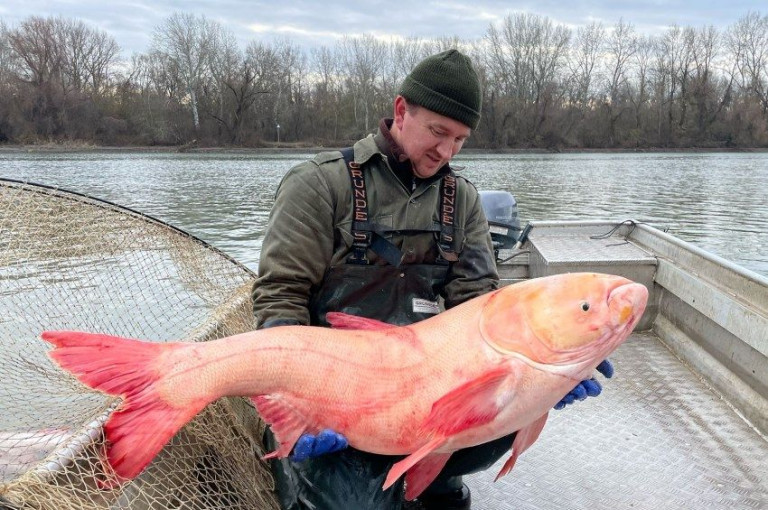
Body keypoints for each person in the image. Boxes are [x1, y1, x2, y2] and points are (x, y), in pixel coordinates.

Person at [252, 48, 612, 510]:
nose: (446, 152)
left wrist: (547, 372)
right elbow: (280, 299)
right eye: (438, 132)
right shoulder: (320, 184)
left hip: (425, 388)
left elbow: (481, 307)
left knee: (503, 421)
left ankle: (433, 472)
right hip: (335, 397)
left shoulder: (461, 200)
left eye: (460, 140)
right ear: (402, 111)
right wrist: (296, 401)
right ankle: (309, 466)